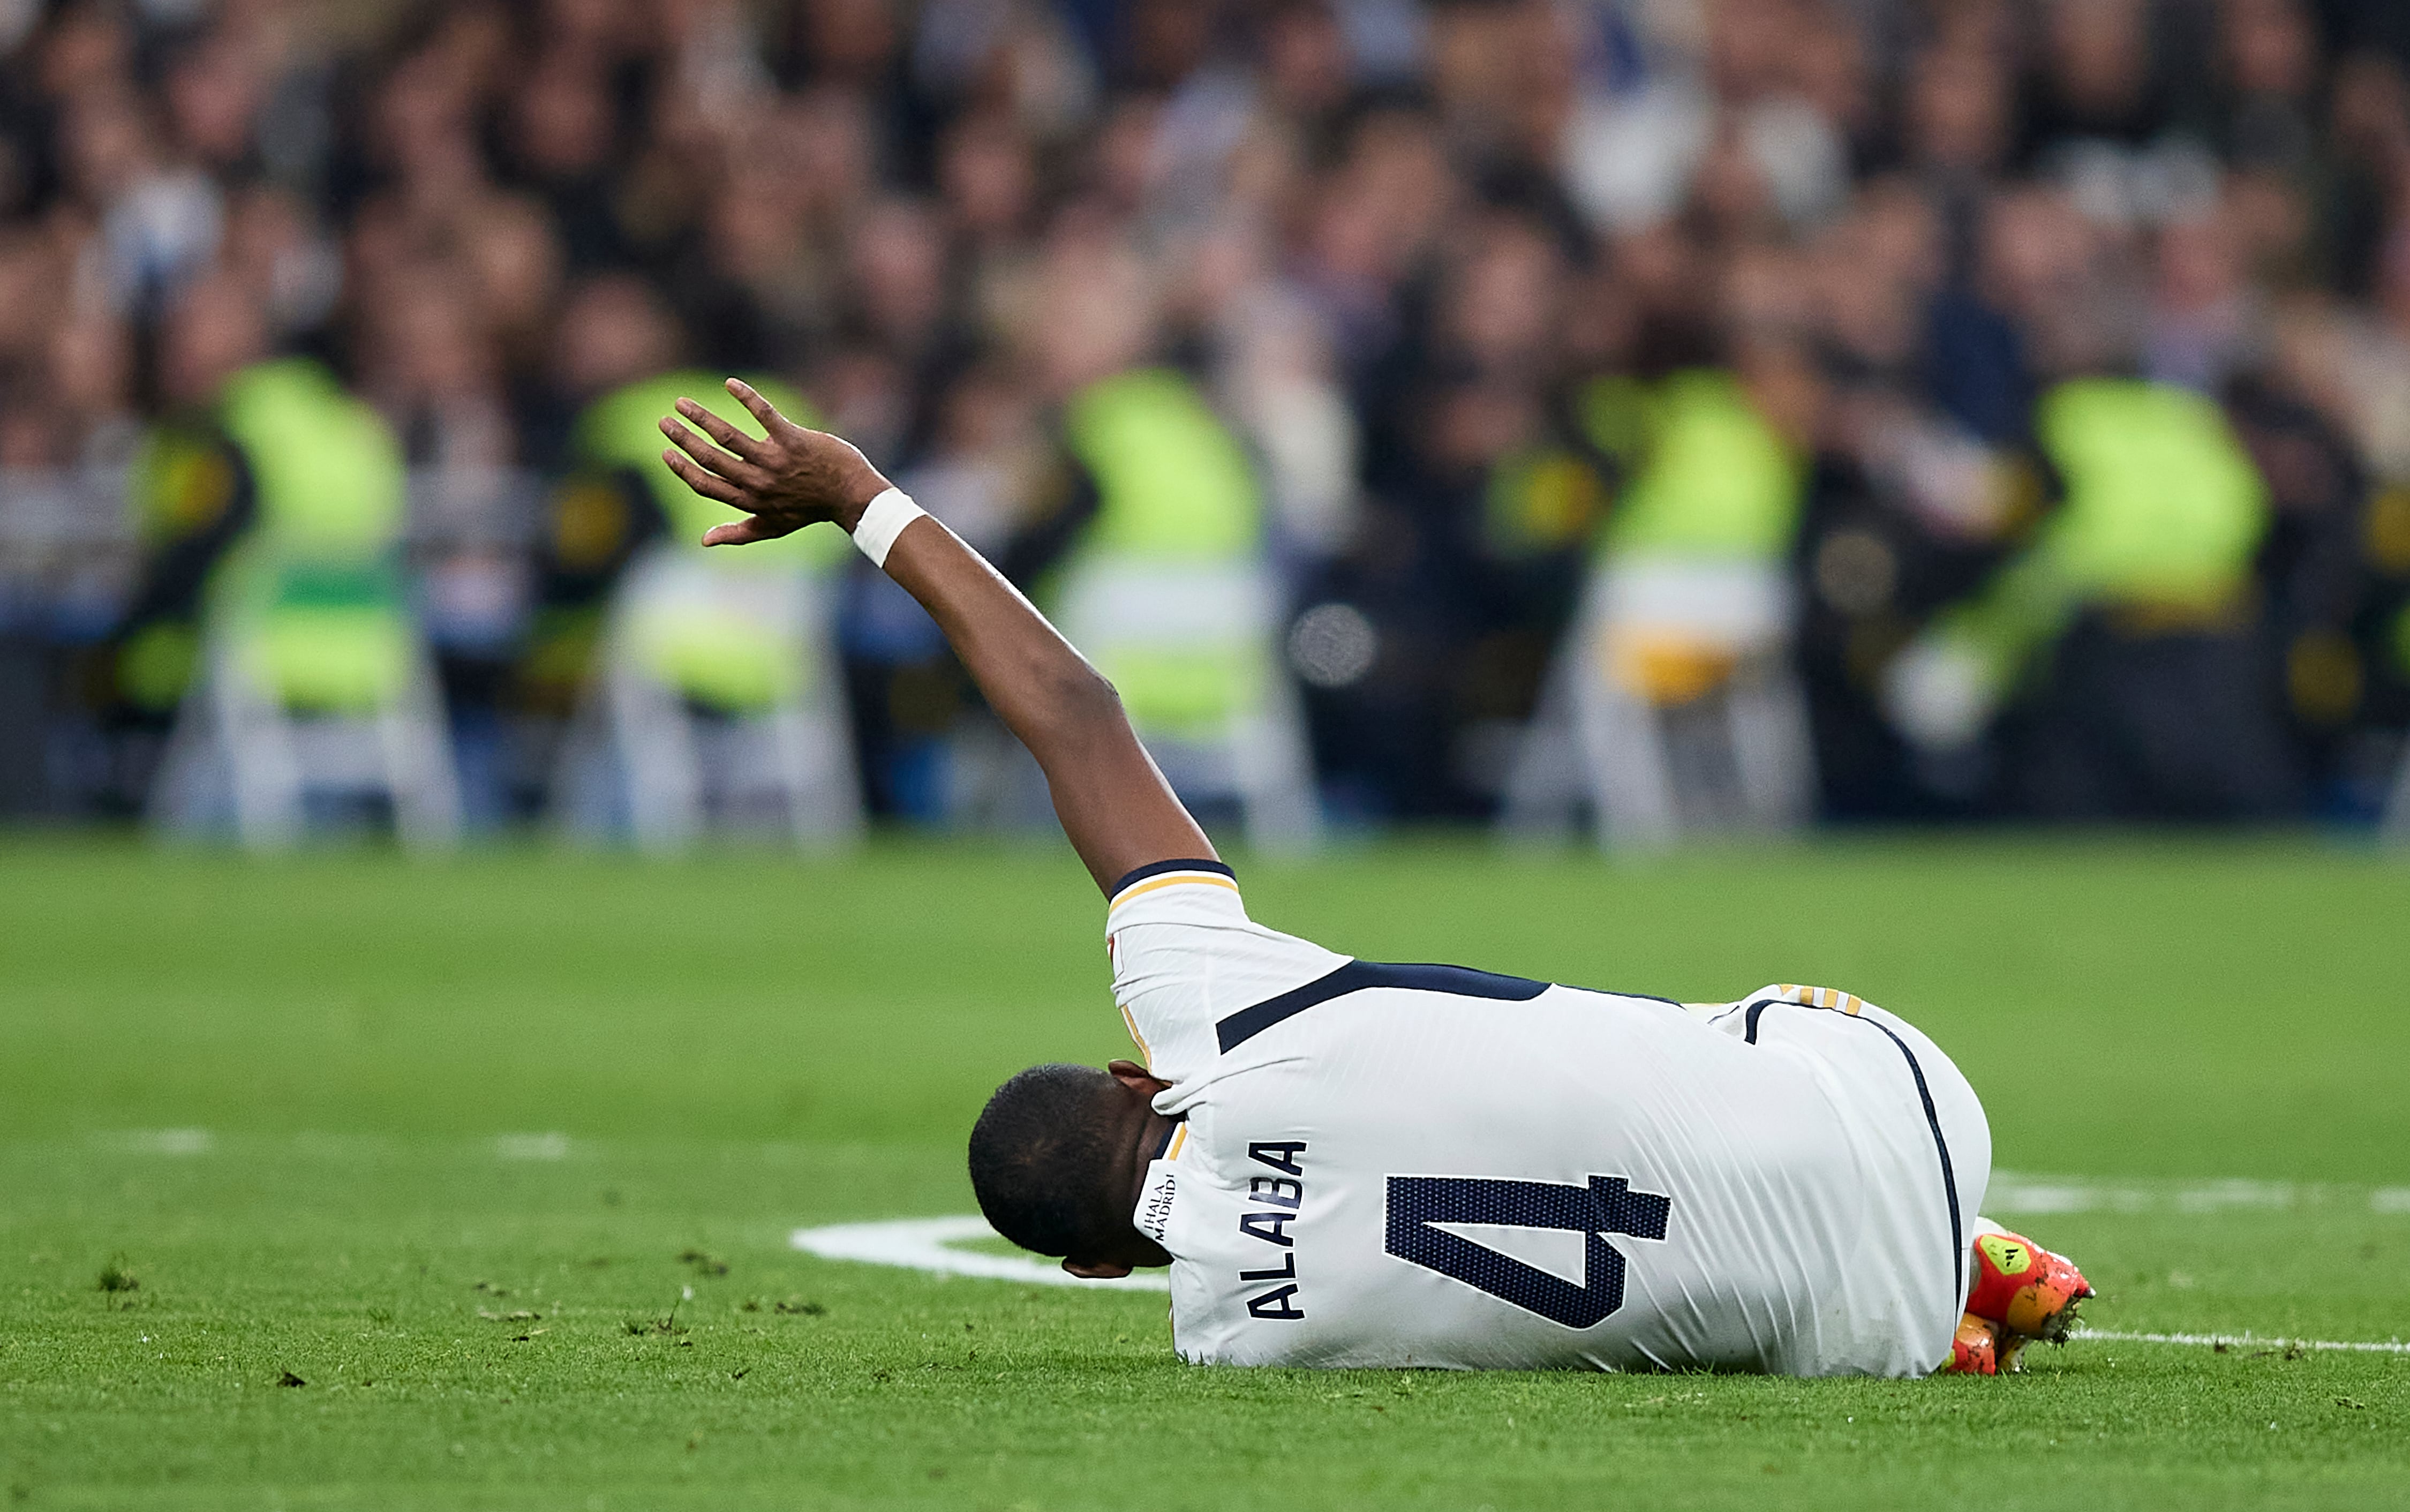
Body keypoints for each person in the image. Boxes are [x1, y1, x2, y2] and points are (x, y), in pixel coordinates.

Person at [656, 381, 2090, 1377]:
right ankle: (1958, 1239)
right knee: (1717, 1033)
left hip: (1853, 1346)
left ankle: (1944, 1304)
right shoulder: (1200, 1009)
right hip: (1904, 1092)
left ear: (1095, 1272)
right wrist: (859, 498)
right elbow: (1075, 712)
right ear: (1130, 1081)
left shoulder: (1241, 1341)